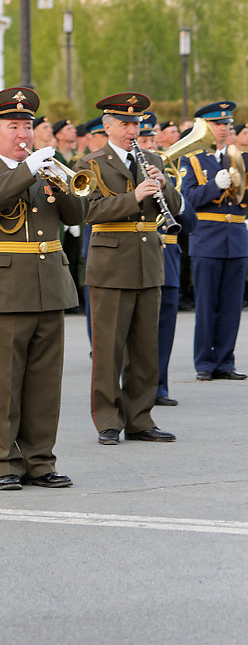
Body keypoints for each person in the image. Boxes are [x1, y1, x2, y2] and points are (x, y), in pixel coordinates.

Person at [0, 87, 85, 490]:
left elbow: (79, 215)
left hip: (50, 285)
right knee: (6, 381)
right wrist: (27, 170)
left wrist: (60, 182)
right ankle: (4, 462)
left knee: (46, 382)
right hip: (7, 288)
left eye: (27, 126)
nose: (22, 134)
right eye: (13, 126)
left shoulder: (47, 168)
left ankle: (41, 460)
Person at [75, 93, 178, 445]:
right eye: (126, 123)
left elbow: (175, 206)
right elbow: (89, 212)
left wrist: (163, 184)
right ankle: (107, 419)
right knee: (109, 348)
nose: (133, 129)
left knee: (145, 347)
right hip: (111, 263)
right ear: (107, 127)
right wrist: (134, 197)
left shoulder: (151, 158)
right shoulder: (91, 163)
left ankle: (140, 418)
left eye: (137, 123)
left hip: (148, 260)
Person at [181, 100, 248, 381]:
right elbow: (188, 199)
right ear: (204, 126)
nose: (223, 128)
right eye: (218, 124)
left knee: (232, 306)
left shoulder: (240, 159)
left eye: (226, 124)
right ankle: (205, 363)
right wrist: (214, 186)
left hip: (237, 238)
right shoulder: (193, 159)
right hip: (207, 238)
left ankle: (225, 361)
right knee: (207, 305)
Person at [136, 112, 197, 407]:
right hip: (136, 256)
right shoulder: (123, 175)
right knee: (134, 329)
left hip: (168, 257)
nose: (149, 145)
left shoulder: (168, 173)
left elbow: (190, 222)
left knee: (165, 326)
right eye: (143, 139)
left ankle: (159, 385)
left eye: (151, 139)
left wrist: (168, 189)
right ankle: (132, 386)